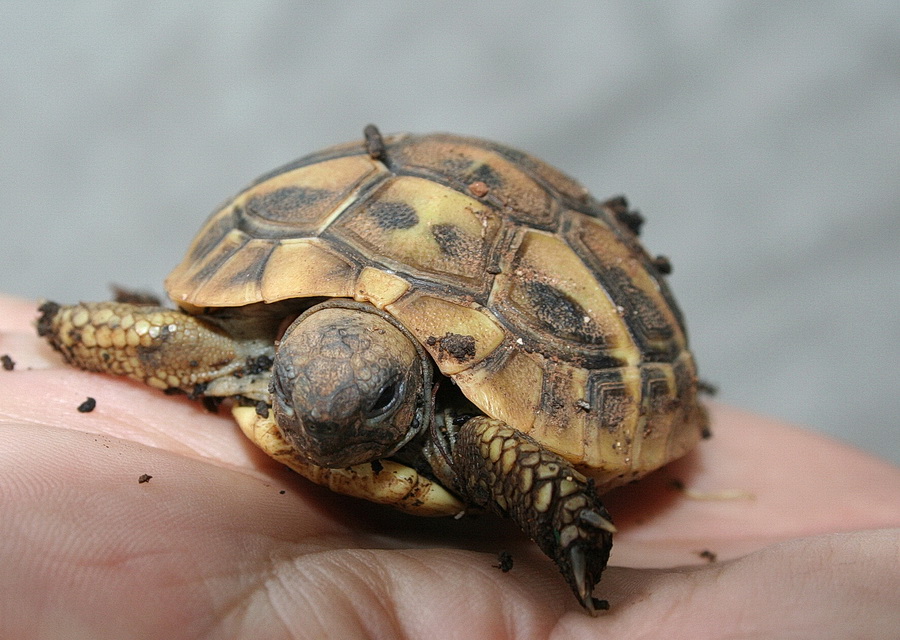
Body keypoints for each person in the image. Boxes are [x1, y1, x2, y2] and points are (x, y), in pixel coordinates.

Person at [1, 294, 897, 639]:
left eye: (363, 421)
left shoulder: (464, 434)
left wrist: (567, 521)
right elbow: (183, 341)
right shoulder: (267, 365)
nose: (315, 444)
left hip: (471, 390)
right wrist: (73, 332)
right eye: (300, 416)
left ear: (411, 400)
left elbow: (508, 452)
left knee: (522, 469)